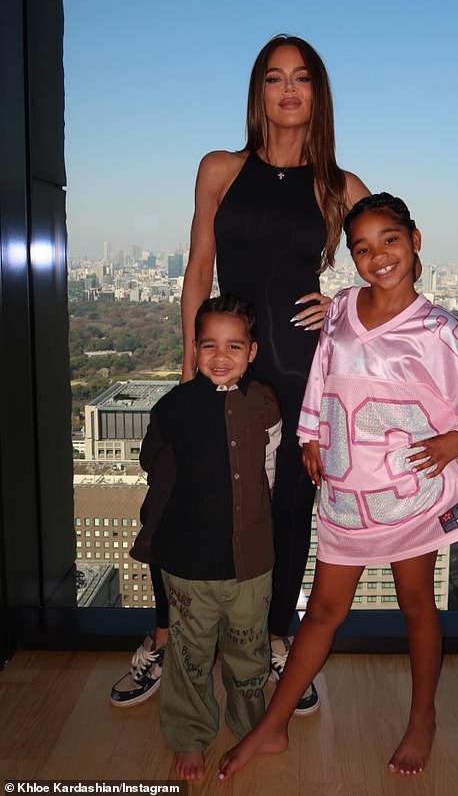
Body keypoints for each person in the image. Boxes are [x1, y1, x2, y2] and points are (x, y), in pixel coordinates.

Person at [216, 192, 458, 781]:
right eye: (361, 248)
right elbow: (322, 373)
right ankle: (273, 725)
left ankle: (422, 717)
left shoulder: (440, 329)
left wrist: (457, 439)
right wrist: (311, 435)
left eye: (390, 240)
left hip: (409, 493)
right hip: (345, 493)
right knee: (322, 611)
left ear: (415, 240)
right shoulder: (341, 308)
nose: (378, 256)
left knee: (416, 605)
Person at [110, 33, 368, 710]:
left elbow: (392, 263)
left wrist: (343, 301)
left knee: (288, 509)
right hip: (227, 362)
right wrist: (192, 365)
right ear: (258, 93)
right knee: (179, 493)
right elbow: (200, 269)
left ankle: (275, 641)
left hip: (302, 369)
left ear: (317, 93)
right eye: (274, 78)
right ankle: (165, 637)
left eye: (301, 77)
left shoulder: (340, 187)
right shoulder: (220, 169)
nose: (288, 90)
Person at [129, 293, 282, 782]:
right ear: (194, 349)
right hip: (188, 562)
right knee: (189, 656)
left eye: (234, 346)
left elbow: (269, 470)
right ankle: (190, 734)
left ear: (251, 351)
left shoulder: (264, 403)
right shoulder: (174, 407)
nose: (220, 356)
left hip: (250, 561)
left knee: (249, 652)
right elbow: (151, 460)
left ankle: (250, 726)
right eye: (209, 345)